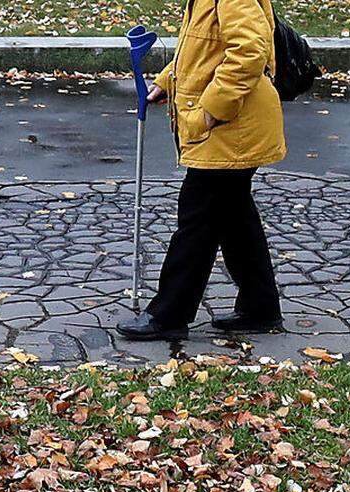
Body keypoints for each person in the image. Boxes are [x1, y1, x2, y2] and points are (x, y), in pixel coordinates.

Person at [116, 0, 287, 342]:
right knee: (236, 219)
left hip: (231, 128)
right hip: (228, 128)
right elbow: (203, 49)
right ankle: (260, 307)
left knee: (198, 216)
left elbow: (250, 51)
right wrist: (166, 81)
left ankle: (169, 314)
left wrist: (212, 109)